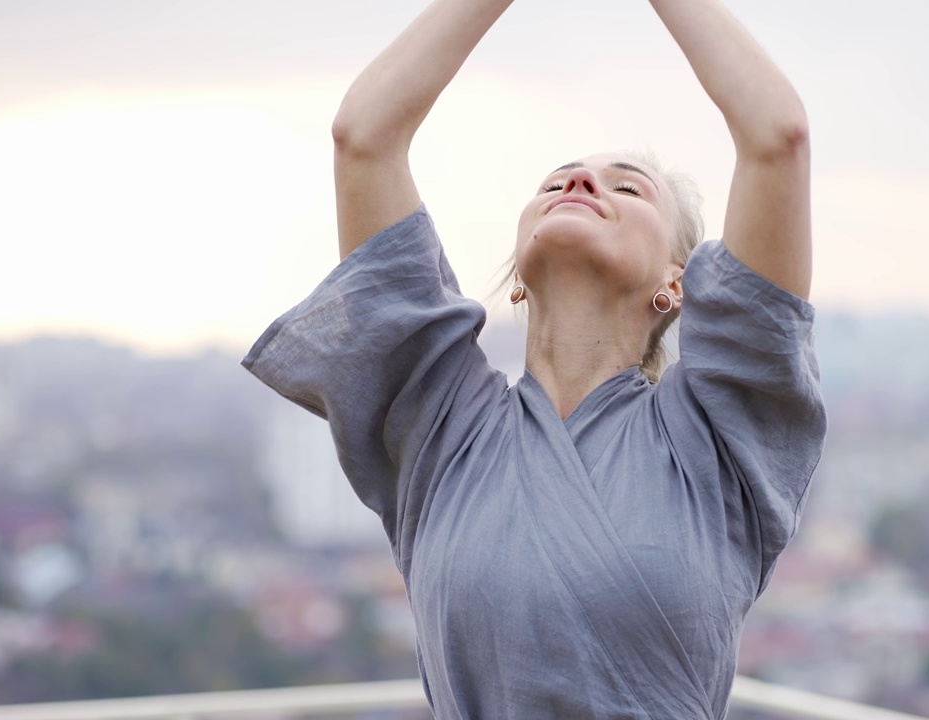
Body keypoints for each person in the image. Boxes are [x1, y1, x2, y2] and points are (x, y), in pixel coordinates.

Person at [242, 0, 827, 717]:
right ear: (518, 273)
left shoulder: (718, 439)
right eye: (555, 182)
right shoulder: (440, 423)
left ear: (677, 281)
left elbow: (778, 137)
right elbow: (363, 137)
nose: (579, 184)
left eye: (627, 187)